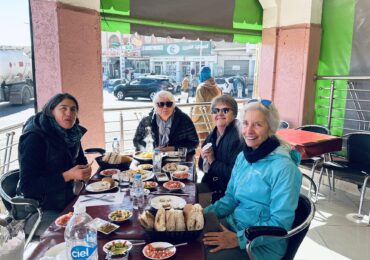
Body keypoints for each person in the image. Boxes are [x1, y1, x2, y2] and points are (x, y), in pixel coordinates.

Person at [202, 98, 302, 260]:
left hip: (259, 246)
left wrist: (238, 239)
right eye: (246, 123)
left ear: (271, 128)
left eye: (257, 125)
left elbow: (280, 223)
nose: (249, 131)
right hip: (234, 225)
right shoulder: (244, 157)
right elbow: (230, 198)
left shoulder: (284, 168)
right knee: (188, 235)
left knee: (201, 256)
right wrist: (202, 214)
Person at [17, 93, 92, 234]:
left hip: (69, 200)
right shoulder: (34, 138)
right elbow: (27, 187)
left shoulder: (72, 133)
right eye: (63, 108)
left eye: (73, 109)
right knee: (81, 233)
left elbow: (81, 161)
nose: (69, 113)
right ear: (51, 111)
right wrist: (67, 176)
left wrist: (84, 172)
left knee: (100, 219)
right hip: (41, 210)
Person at [198, 95, 244, 206]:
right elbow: (200, 166)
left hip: (227, 194)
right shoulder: (213, 134)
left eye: (225, 110)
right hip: (212, 184)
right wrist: (204, 158)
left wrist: (213, 162)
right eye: (215, 110)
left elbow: (233, 175)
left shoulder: (239, 137)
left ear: (235, 114)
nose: (219, 113)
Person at [133, 90, 199, 154]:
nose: (165, 107)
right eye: (161, 104)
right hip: (153, 156)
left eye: (169, 104)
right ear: (155, 106)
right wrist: (151, 149)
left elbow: (194, 142)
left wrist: (174, 149)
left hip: (177, 158)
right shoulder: (147, 120)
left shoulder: (184, 119)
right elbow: (136, 140)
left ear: (173, 106)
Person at [191, 66, 222, 142]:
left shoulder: (201, 88)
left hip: (203, 124)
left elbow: (198, 107)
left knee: (204, 148)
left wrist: (193, 119)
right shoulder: (217, 88)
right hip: (215, 123)